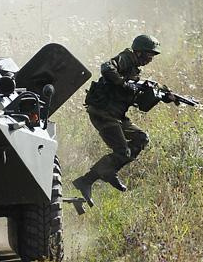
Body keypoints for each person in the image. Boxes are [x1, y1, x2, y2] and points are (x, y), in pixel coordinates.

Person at [72, 34, 174, 207]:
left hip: (117, 115)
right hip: (103, 113)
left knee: (141, 138)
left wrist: (162, 96)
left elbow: (139, 102)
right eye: (150, 55)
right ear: (140, 52)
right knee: (122, 151)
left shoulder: (134, 70)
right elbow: (106, 67)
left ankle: (88, 180)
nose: (151, 59)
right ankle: (94, 178)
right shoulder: (126, 58)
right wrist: (123, 83)